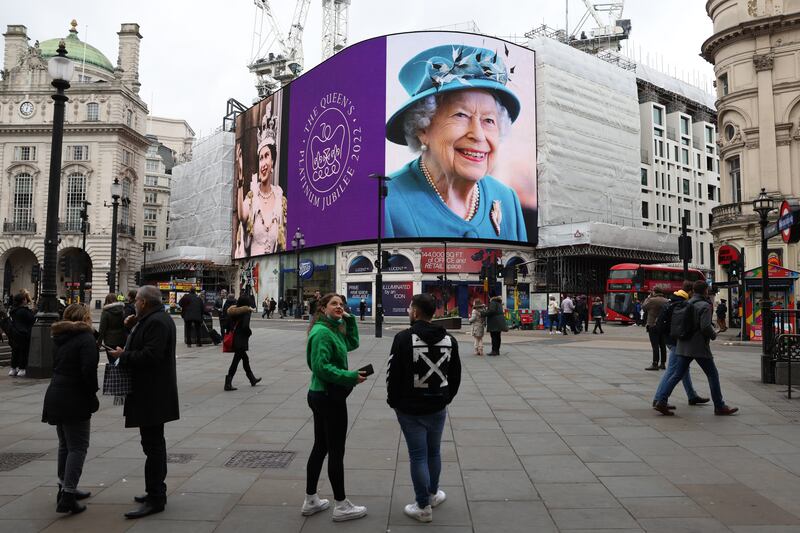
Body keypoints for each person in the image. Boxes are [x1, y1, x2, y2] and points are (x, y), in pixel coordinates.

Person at [384, 44, 527, 240]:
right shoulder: (386, 202)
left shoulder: (507, 200)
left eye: (489, 120)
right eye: (461, 115)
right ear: (422, 128)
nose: (478, 135)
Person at [387, 293, 462, 523]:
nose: (409, 311)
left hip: (410, 409)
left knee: (418, 455)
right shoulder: (450, 340)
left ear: (416, 312)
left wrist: (394, 402)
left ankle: (422, 506)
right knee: (433, 452)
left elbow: (393, 374)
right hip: (437, 406)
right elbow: (456, 375)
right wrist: (446, 398)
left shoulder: (402, 338)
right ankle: (432, 494)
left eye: (410, 308)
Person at [108, 286, 179, 518]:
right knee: (152, 444)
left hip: (152, 393)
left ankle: (156, 496)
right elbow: (145, 345)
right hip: (152, 392)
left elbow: (151, 355)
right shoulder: (152, 319)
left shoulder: (156, 322)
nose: (134, 303)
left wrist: (123, 356)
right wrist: (132, 327)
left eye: (137, 299)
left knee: (153, 446)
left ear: (145, 302)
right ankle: (155, 491)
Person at [302, 293, 368, 522]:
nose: (339, 307)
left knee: (320, 446)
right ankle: (341, 505)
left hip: (322, 394)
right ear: (322, 308)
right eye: (334, 304)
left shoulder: (332, 329)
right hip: (328, 396)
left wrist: (349, 320)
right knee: (335, 451)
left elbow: (352, 343)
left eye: (341, 304)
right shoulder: (322, 332)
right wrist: (349, 376)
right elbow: (321, 367)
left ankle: (311, 500)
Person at [41, 303, 99, 514]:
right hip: (74, 396)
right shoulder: (85, 338)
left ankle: (63, 487)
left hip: (56, 393)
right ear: (85, 318)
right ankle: (68, 494)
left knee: (65, 444)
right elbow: (88, 370)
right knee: (78, 447)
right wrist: (92, 393)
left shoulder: (59, 337)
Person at [653, 280, 738, 417]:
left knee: (677, 374)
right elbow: (705, 327)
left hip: (683, 344)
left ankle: (661, 401)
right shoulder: (704, 305)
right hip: (698, 347)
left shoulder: (686, 303)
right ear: (705, 291)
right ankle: (719, 406)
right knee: (712, 374)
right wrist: (713, 335)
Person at [235, 102, 286, 256]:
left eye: (267, 157)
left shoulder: (280, 200)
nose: (263, 163)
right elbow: (242, 216)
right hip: (251, 269)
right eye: (261, 158)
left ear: (273, 163)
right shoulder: (252, 196)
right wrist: (240, 178)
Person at [652, 281, 709, 410]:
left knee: (684, 369)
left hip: (669, 338)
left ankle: (691, 395)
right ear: (690, 292)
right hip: (676, 341)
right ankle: (658, 398)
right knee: (673, 370)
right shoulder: (682, 303)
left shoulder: (672, 299)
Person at [224, 295, 261, 391]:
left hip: (235, 337)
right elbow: (245, 326)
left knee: (245, 359)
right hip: (241, 339)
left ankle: (252, 379)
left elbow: (227, 325)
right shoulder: (246, 312)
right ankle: (228, 382)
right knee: (236, 361)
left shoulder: (233, 311)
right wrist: (249, 332)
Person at [7, 291, 35, 377]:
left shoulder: (13, 311)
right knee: (24, 351)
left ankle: (13, 368)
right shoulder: (24, 311)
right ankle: (22, 369)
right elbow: (32, 320)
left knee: (15, 351)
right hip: (24, 333)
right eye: (25, 299)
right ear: (23, 301)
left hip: (15, 333)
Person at [643, 287, 668, 371]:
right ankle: (663, 363)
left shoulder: (652, 300)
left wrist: (649, 297)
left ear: (654, 292)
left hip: (652, 325)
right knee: (663, 345)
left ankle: (655, 363)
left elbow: (644, 307)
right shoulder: (666, 300)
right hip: (663, 325)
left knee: (655, 345)